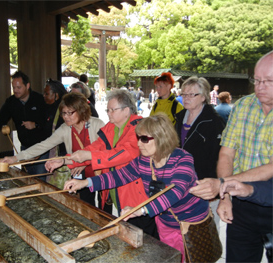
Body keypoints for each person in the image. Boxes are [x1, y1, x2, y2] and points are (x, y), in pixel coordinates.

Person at [63, 113, 209, 261]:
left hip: (190, 224)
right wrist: (86, 183)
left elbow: (175, 192)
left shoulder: (183, 159)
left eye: (144, 139)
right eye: (138, 138)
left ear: (161, 137)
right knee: (171, 257)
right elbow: (118, 176)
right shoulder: (143, 160)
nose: (139, 144)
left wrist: (141, 210)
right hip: (165, 222)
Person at [189, 51, 273, 263]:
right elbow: (226, 152)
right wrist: (225, 197)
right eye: (257, 80)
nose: (260, 86)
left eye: (268, 81)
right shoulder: (243, 106)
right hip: (242, 201)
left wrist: (223, 184)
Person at [46, 89, 159, 238]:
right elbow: (95, 147)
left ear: (127, 110)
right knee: (129, 233)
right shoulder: (111, 127)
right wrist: (65, 160)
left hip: (136, 194)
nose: (108, 113)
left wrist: (89, 156)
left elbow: (123, 153)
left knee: (145, 236)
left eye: (113, 110)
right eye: (108, 109)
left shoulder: (139, 127)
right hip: (118, 190)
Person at [0, 92, 105, 204]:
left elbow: (105, 153)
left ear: (81, 110)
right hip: (81, 175)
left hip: (102, 172)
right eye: (63, 113)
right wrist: (15, 158)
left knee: (104, 205)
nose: (65, 117)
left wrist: (84, 163)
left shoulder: (97, 125)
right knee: (87, 204)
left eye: (70, 113)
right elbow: (43, 145)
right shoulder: (65, 129)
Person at [175, 76, 225, 230]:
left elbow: (219, 157)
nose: (186, 98)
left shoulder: (214, 122)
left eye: (192, 94)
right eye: (184, 94)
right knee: (182, 232)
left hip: (204, 185)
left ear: (203, 97)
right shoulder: (179, 117)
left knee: (205, 233)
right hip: (180, 183)